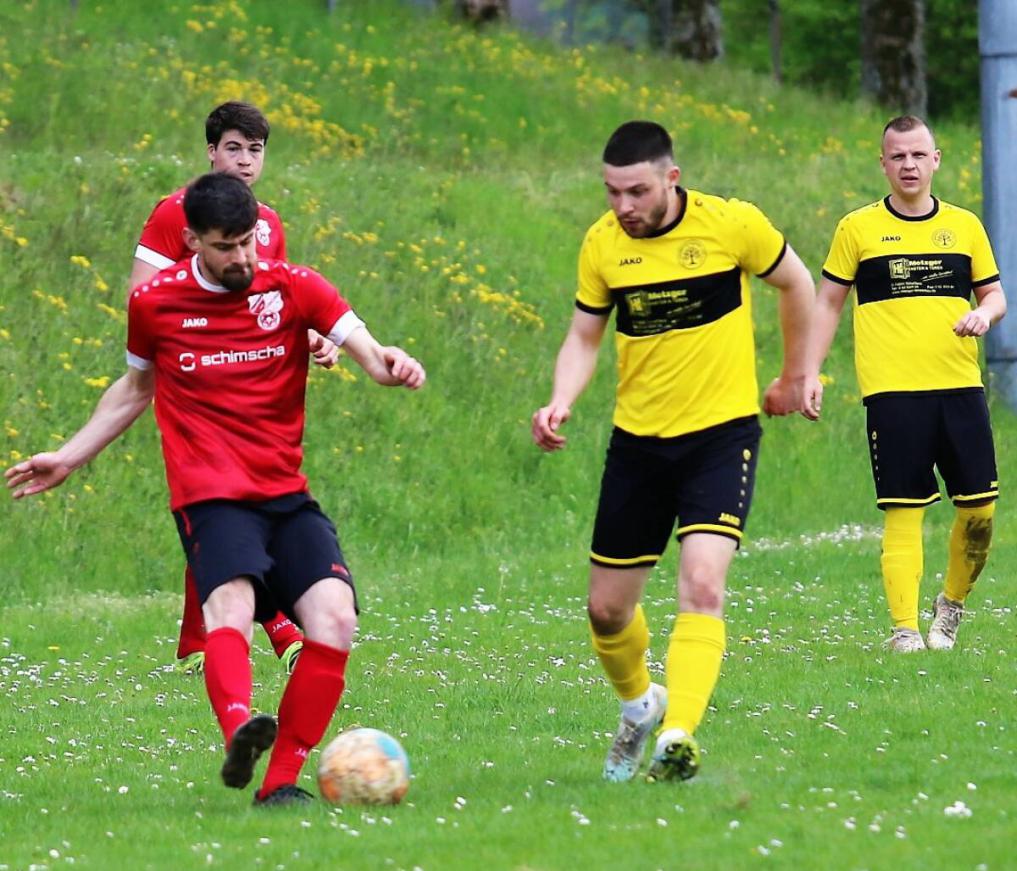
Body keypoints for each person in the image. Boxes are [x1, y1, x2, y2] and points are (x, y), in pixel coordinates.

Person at [7, 172, 425, 806]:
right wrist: (68, 456)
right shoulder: (156, 303)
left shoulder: (294, 286)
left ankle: (280, 783)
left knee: (335, 618)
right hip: (209, 494)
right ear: (195, 241)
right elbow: (135, 390)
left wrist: (390, 364)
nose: (243, 258)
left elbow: (365, 349)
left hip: (285, 493)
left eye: (249, 242)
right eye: (225, 247)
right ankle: (241, 732)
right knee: (228, 606)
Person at [531, 121, 817, 784]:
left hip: (720, 436)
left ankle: (676, 735)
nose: (622, 206)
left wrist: (792, 377)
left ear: (670, 179)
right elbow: (582, 335)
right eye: (611, 192)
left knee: (702, 583)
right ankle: (640, 706)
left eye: (635, 191)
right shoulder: (602, 244)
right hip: (638, 444)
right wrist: (560, 398)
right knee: (605, 610)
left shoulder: (730, 225)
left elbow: (797, 283)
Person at [131, 101, 338, 676]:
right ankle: (276, 626)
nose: (245, 161)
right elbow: (142, 296)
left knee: (231, 513)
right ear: (211, 152)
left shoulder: (268, 222)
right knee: (224, 507)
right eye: (233, 148)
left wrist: (316, 340)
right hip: (197, 394)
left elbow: (280, 303)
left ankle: (198, 645)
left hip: (257, 394)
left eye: (256, 150)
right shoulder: (173, 213)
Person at [808, 115, 1005, 653]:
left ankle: (951, 606)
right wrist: (809, 371)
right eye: (898, 156)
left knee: (980, 509)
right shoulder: (857, 229)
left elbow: (994, 296)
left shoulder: (964, 226)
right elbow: (827, 302)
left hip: (959, 387)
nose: (909, 165)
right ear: (883, 163)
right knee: (903, 508)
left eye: (919, 155)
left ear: (937, 159)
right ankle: (904, 630)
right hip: (892, 392)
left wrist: (984, 316)